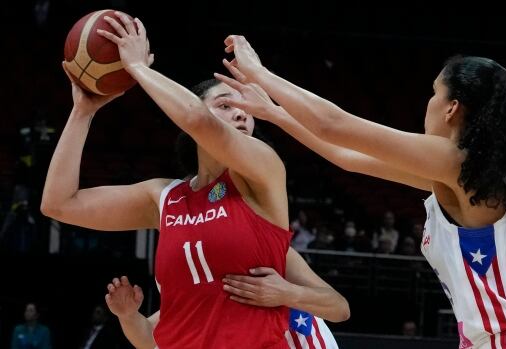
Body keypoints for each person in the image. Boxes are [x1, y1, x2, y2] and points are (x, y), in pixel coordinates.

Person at [214, 35, 506, 348]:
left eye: (434, 93)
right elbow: (346, 156)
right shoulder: (473, 177)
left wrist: (259, 72)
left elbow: (334, 124)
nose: (428, 102)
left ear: (452, 108)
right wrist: (274, 113)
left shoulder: (458, 163)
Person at [40, 13, 348, 349]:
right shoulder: (164, 197)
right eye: (225, 104)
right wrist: (83, 112)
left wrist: (138, 68)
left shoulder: (264, 170)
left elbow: (196, 119)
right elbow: (59, 203)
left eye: (244, 108)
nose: (242, 112)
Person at [105, 276, 340, 349]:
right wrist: (127, 316)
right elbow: (148, 337)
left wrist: (289, 293)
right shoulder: (198, 289)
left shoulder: (266, 255)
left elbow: (340, 308)